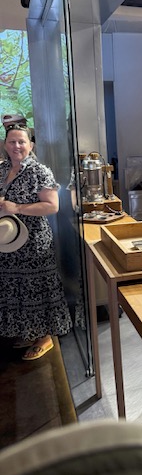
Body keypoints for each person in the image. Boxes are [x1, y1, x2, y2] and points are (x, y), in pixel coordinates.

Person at [0, 124, 72, 360]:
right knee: (17, 289)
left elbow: (52, 206)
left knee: (38, 289)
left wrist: (17, 207)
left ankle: (44, 337)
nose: (16, 146)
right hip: (8, 242)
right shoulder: (2, 170)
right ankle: (29, 332)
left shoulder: (39, 171)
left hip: (34, 244)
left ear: (30, 145)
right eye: (12, 141)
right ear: (5, 145)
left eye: (21, 141)